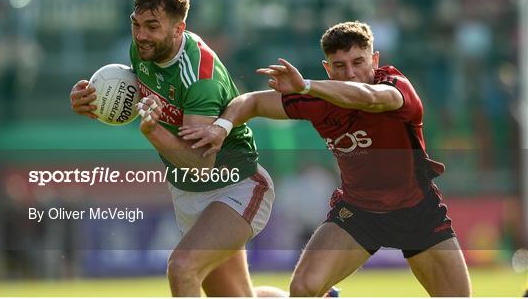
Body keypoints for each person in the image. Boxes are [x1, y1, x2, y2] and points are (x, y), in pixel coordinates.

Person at [179, 21, 472, 296]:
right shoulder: (319, 101)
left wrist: (306, 85)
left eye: (358, 62)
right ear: (327, 68)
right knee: (303, 288)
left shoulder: (396, 87)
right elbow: (252, 101)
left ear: (375, 60)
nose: (350, 72)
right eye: (340, 66)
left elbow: (369, 97)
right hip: (359, 214)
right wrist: (222, 126)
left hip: (417, 212)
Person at [70, 0, 286, 297]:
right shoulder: (142, 49)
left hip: (234, 185)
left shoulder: (200, 78)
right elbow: (127, 95)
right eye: (136, 24)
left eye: (152, 26)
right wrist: (92, 101)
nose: (141, 35)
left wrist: (153, 131)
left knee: (182, 267)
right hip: (188, 194)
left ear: (178, 28)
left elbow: (200, 163)